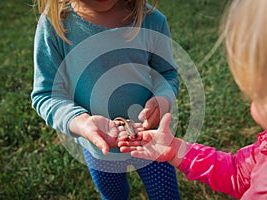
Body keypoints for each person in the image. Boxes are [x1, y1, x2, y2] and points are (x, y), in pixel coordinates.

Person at [119, 0, 267, 199]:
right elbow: (238, 173)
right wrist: (177, 150)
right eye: (255, 97)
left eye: (265, 98)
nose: (254, 111)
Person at [31, 0, 181, 199]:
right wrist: (81, 122)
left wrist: (163, 98)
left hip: (150, 139)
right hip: (99, 149)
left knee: (165, 195)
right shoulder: (54, 25)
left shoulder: (151, 19)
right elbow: (47, 94)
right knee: (113, 195)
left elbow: (167, 73)